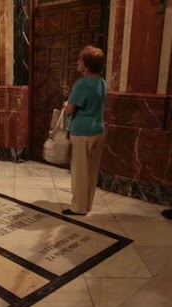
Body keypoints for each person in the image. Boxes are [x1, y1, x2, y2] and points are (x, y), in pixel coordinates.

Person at [62, 45, 107, 216]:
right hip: (99, 131)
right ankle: (86, 204)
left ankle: (78, 207)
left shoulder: (82, 84)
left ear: (87, 65)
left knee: (80, 172)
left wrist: (66, 105)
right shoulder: (102, 82)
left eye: (80, 60)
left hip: (82, 133)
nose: (77, 63)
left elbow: (70, 110)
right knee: (92, 171)